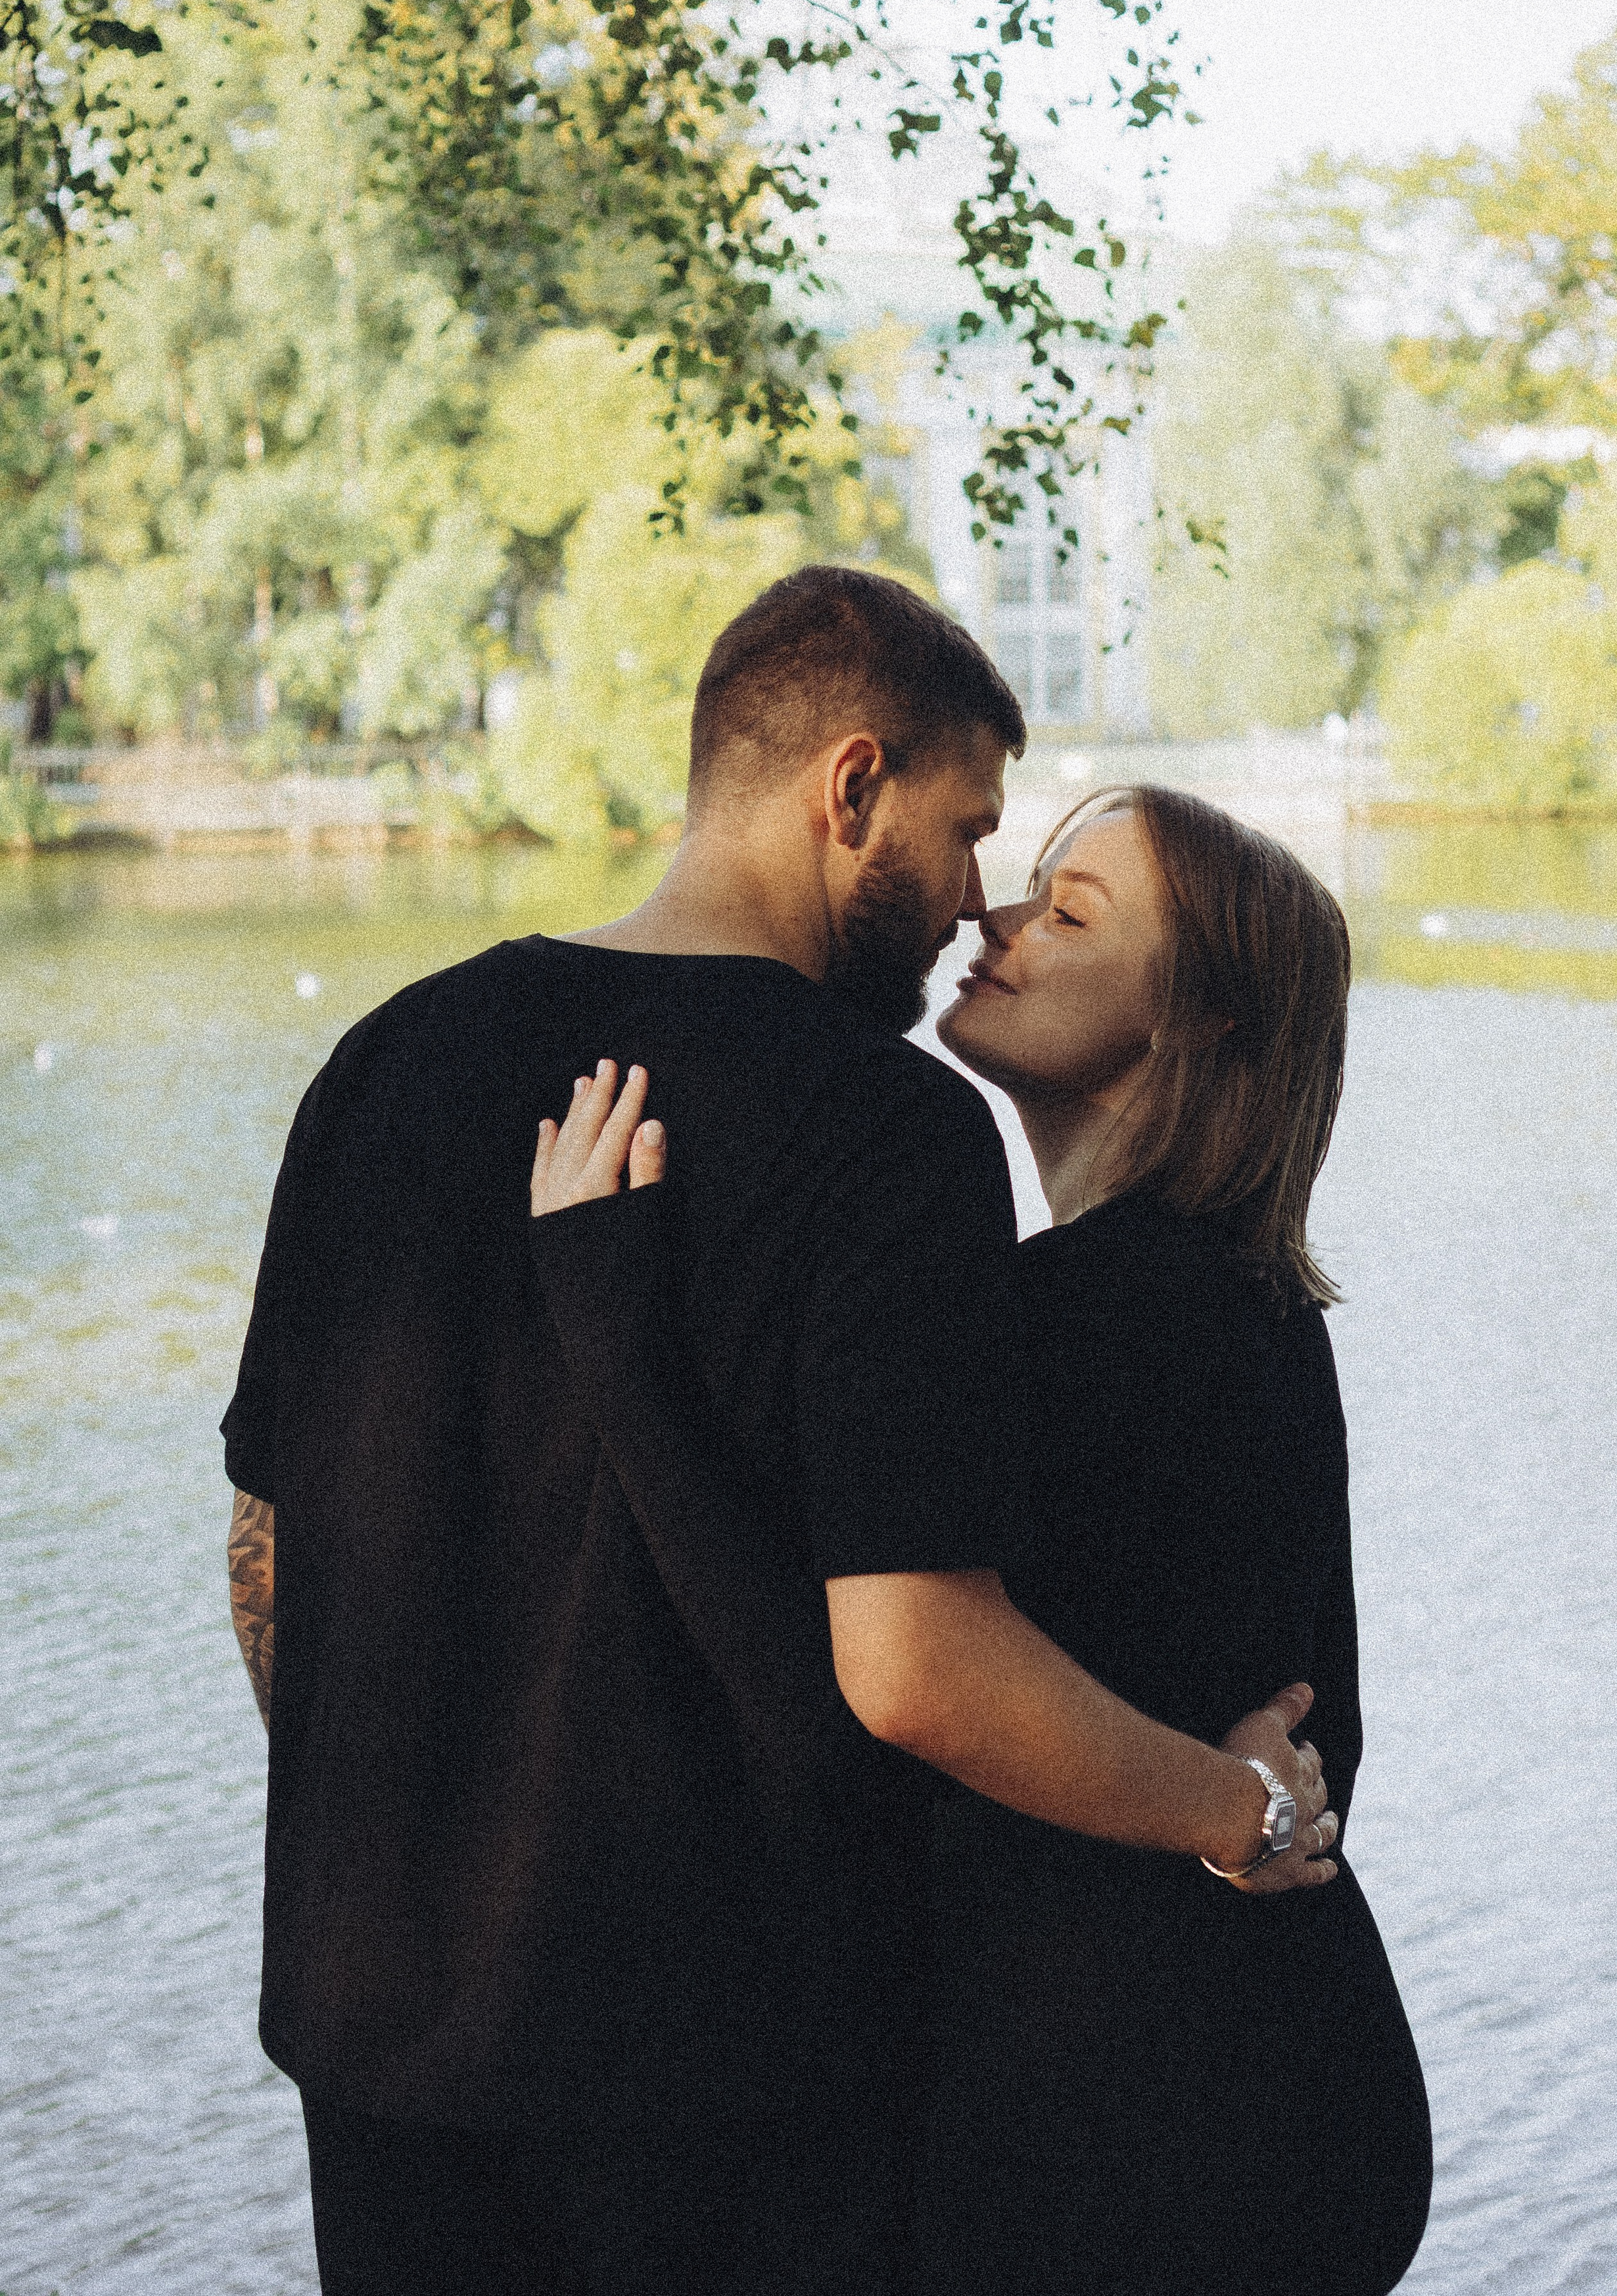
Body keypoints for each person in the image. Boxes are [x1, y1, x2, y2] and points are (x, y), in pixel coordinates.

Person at [224, 569, 1340, 2296]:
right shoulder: (885, 1132)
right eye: (970, 832)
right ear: (851, 790)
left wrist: (414, 1836)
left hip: (378, 2041)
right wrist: (1236, 1806)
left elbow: (272, 1561)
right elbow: (911, 1665)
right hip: (725, 2079)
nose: (976, 898)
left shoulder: (382, 1062)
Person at [532, 782, 1432, 2295]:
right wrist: (1252, 1811)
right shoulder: (1242, 1302)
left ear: (1195, 1025)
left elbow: (824, 1670)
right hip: (1271, 2073)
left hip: (1149, 2137)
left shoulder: (1083, 1316)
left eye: (1067, 914)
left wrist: (609, 1321)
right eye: (1026, 885)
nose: (990, 920)